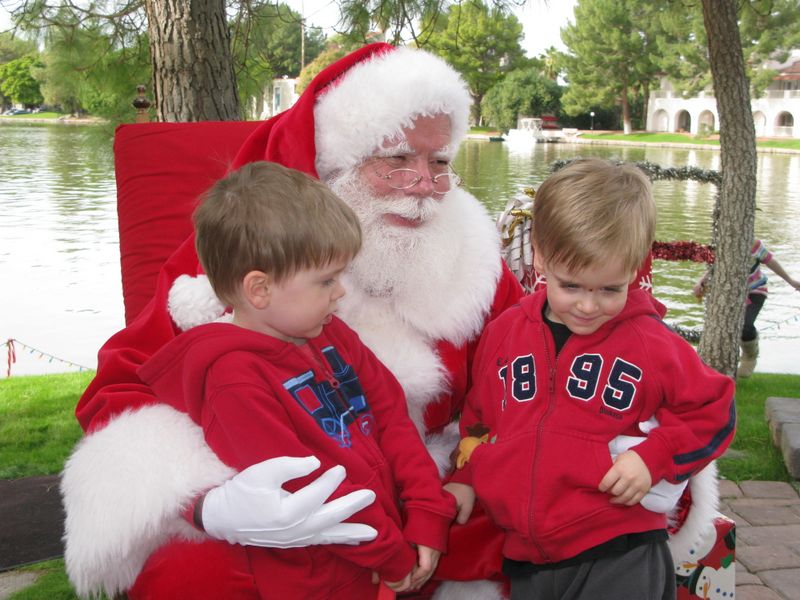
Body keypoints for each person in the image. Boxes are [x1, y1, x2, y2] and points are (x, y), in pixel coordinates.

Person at [61, 43, 525, 599]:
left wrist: (460, 478)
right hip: (271, 493)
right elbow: (121, 387)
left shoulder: (472, 252)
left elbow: (531, 362)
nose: (424, 183)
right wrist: (208, 504)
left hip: (424, 480)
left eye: (440, 162)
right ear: (338, 162)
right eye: (398, 159)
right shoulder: (259, 246)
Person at [135, 160, 456, 597]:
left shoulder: (332, 335)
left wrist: (425, 514)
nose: (340, 291)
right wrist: (392, 556)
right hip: (317, 577)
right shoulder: (234, 382)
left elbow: (391, 417)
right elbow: (309, 487)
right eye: (326, 280)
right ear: (259, 289)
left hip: (371, 554)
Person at [445, 159, 736, 600]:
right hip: (527, 556)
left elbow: (713, 408)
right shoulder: (504, 332)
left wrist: (653, 456)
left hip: (620, 549)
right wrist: (465, 480)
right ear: (540, 254)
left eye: (610, 289)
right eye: (572, 286)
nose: (587, 306)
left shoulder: (649, 341)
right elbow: (479, 420)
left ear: (635, 268)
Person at [693, 239, 800, 377]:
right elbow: (715, 267)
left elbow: (771, 262)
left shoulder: (753, 244)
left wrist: (791, 281)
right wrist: (701, 282)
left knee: (746, 325)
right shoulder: (722, 243)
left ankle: (750, 355)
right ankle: (720, 364)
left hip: (755, 291)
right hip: (731, 295)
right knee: (723, 326)